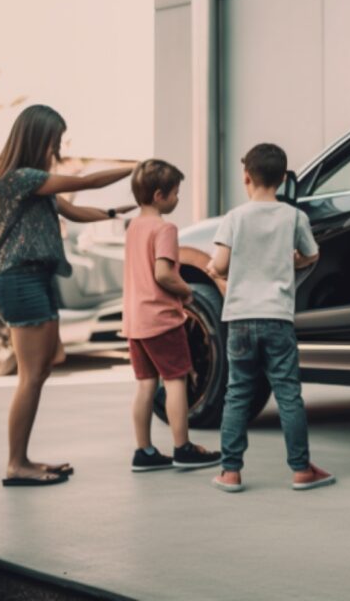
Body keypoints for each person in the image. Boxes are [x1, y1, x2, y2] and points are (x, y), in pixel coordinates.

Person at [0, 104, 134, 487]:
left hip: (38, 279)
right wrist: (137, 168)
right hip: (19, 279)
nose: (58, 145)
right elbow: (85, 183)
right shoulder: (19, 178)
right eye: (56, 138)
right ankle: (16, 464)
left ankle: (23, 458)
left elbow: (74, 210)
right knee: (32, 375)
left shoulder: (39, 185)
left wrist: (114, 212)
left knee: (50, 360)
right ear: (39, 137)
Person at [206, 143, 332, 493]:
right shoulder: (294, 217)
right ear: (281, 179)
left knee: (237, 394)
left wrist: (213, 270)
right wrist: (292, 262)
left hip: (241, 319)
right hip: (278, 318)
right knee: (289, 394)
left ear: (246, 176)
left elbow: (220, 264)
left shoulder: (234, 217)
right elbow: (312, 254)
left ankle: (230, 472)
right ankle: (301, 469)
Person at [124, 159, 222, 473]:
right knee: (176, 380)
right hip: (161, 318)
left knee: (145, 385)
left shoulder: (134, 227)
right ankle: (183, 447)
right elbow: (164, 274)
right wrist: (186, 292)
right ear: (158, 195)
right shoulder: (165, 228)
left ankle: (145, 451)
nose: (178, 199)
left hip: (136, 321)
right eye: (175, 193)